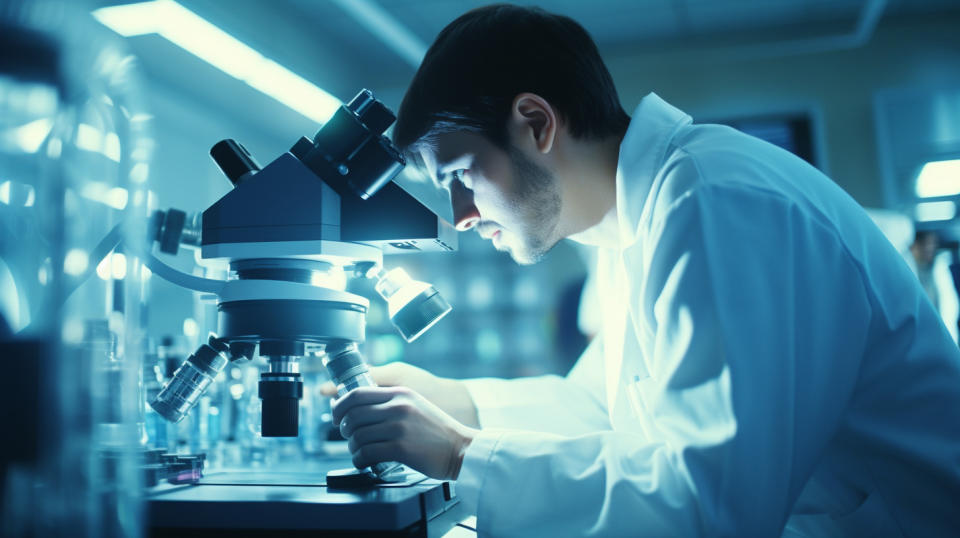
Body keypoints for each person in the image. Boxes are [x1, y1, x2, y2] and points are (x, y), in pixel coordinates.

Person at [329, 4, 960, 536]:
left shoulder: (714, 199)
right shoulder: (630, 224)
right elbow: (600, 410)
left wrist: (462, 451)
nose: (461, 215)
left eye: (461, 175)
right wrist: (452, 401)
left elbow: (709, 506)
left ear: (536, 123)